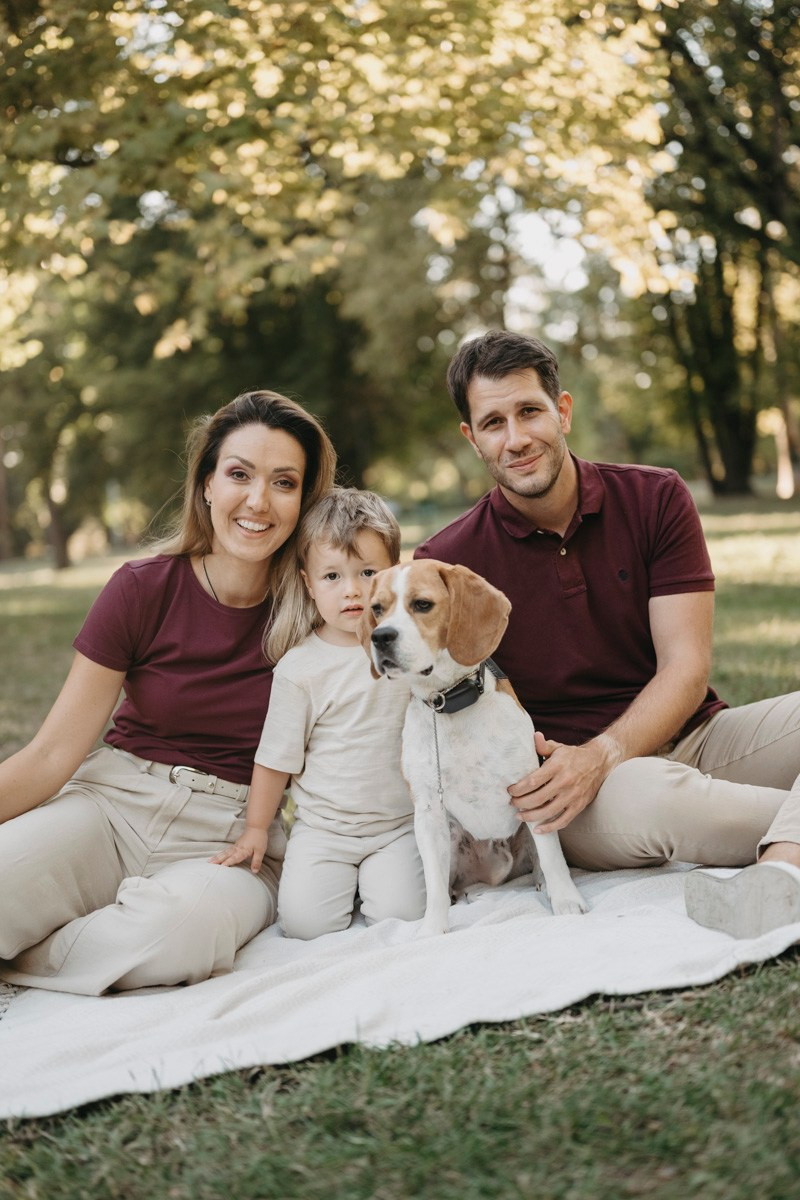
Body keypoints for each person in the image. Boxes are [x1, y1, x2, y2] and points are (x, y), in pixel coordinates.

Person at [415, 329, 800, 940]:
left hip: (696, 734)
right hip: (576, 794)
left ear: (562, 410)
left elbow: (685, 667)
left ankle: (783, 869)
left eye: (530, 411)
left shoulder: (656, 497)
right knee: (660, 800)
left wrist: (607, 752)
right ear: (472, 438)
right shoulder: (445, 565)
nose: (515, 439)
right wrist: (591, 764)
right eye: (493, 423)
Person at [0, 389, 337, 994]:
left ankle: (26, 953)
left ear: (303, 500)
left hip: (233, 836)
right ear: (207, 483)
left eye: (284, 482)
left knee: (178, 935)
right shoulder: (141, 589)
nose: (258, 500)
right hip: (112, 807)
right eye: (239, 474)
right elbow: (51, 756)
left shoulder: (322, 611)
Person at [212, 488, 426, 939]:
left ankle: (375, 884)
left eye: (367, 572)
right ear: (309, 584)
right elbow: (275, 759)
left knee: (401, 915)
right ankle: (338, 884)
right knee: (305, 925)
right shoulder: (300, 669)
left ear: (395, 572)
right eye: (331, 576)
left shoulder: (410, 650)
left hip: (398, 826)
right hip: (323, 831)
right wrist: (255, 828)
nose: (351, 590)